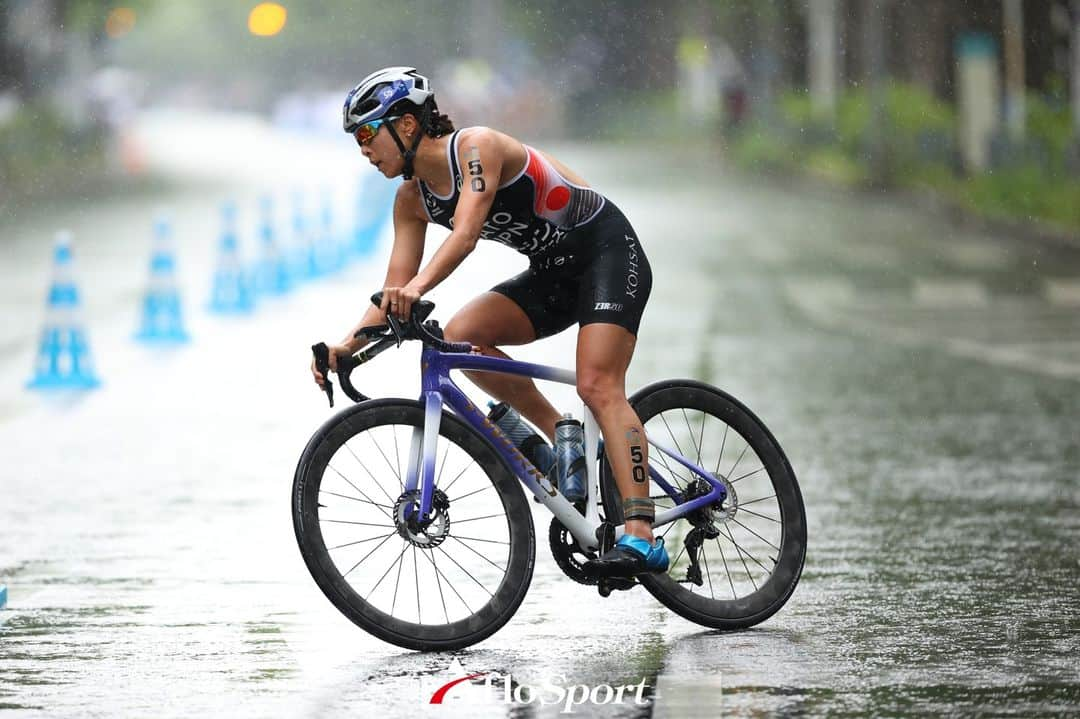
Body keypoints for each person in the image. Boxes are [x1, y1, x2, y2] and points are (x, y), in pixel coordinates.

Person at [310, 67, 667, 577]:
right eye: (356, 139)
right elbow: (393, 286)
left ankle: (641, 534)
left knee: (597, 384)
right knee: (460, 337)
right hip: (553, 274)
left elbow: (466, 233)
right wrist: (346, 346)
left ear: (407, 125)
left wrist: (415, 291)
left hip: (606, 253)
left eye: (368, 133)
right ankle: (559, 437)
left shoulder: (476, 147)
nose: (364, 149)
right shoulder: (411, 200)